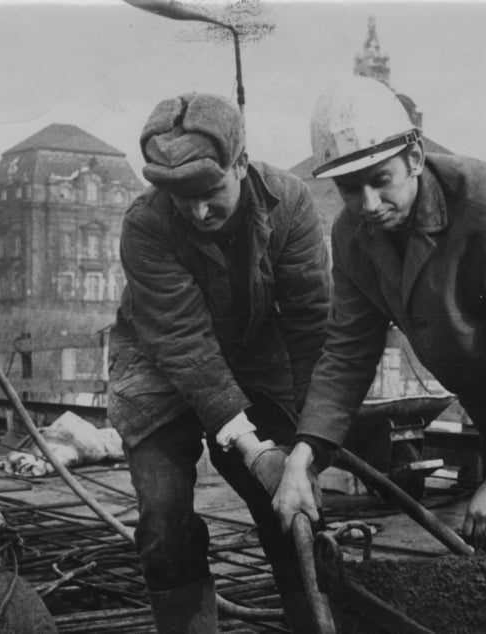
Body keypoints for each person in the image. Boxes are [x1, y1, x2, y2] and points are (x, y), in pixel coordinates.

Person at [273, 75, 486, 563]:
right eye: (351, 189)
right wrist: (304, 454)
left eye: (381, 181)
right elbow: (347, 352)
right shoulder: (352, 237)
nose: (369, 205)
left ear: (414, 158)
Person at [107, 92, 330, 632]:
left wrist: (305, 447)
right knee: (162, 521)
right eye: (179, 199)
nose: (196, 212)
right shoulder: (144, 225)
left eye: (209, 194)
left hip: (254, 354)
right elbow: (184, 345)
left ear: (242, 163)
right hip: (157, 366)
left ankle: (316, 620)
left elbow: (309, 328)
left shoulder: (292, 205)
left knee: (289, 503)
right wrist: (252, 449)